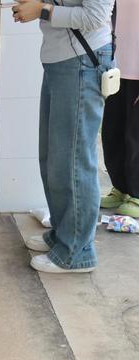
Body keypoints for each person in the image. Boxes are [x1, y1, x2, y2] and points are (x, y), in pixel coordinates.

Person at [13, 0, 115, 273]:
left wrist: (42, 10)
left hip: (82, 61)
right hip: (62, 61)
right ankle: (64, 234)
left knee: (73, 161)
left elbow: (95, 16)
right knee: (54, 160)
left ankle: (77, 252)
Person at [100, 0, 139, 218]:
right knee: (112, 131)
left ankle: (137, 194)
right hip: (117, 64)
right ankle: (121, 187)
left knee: (135, 135)